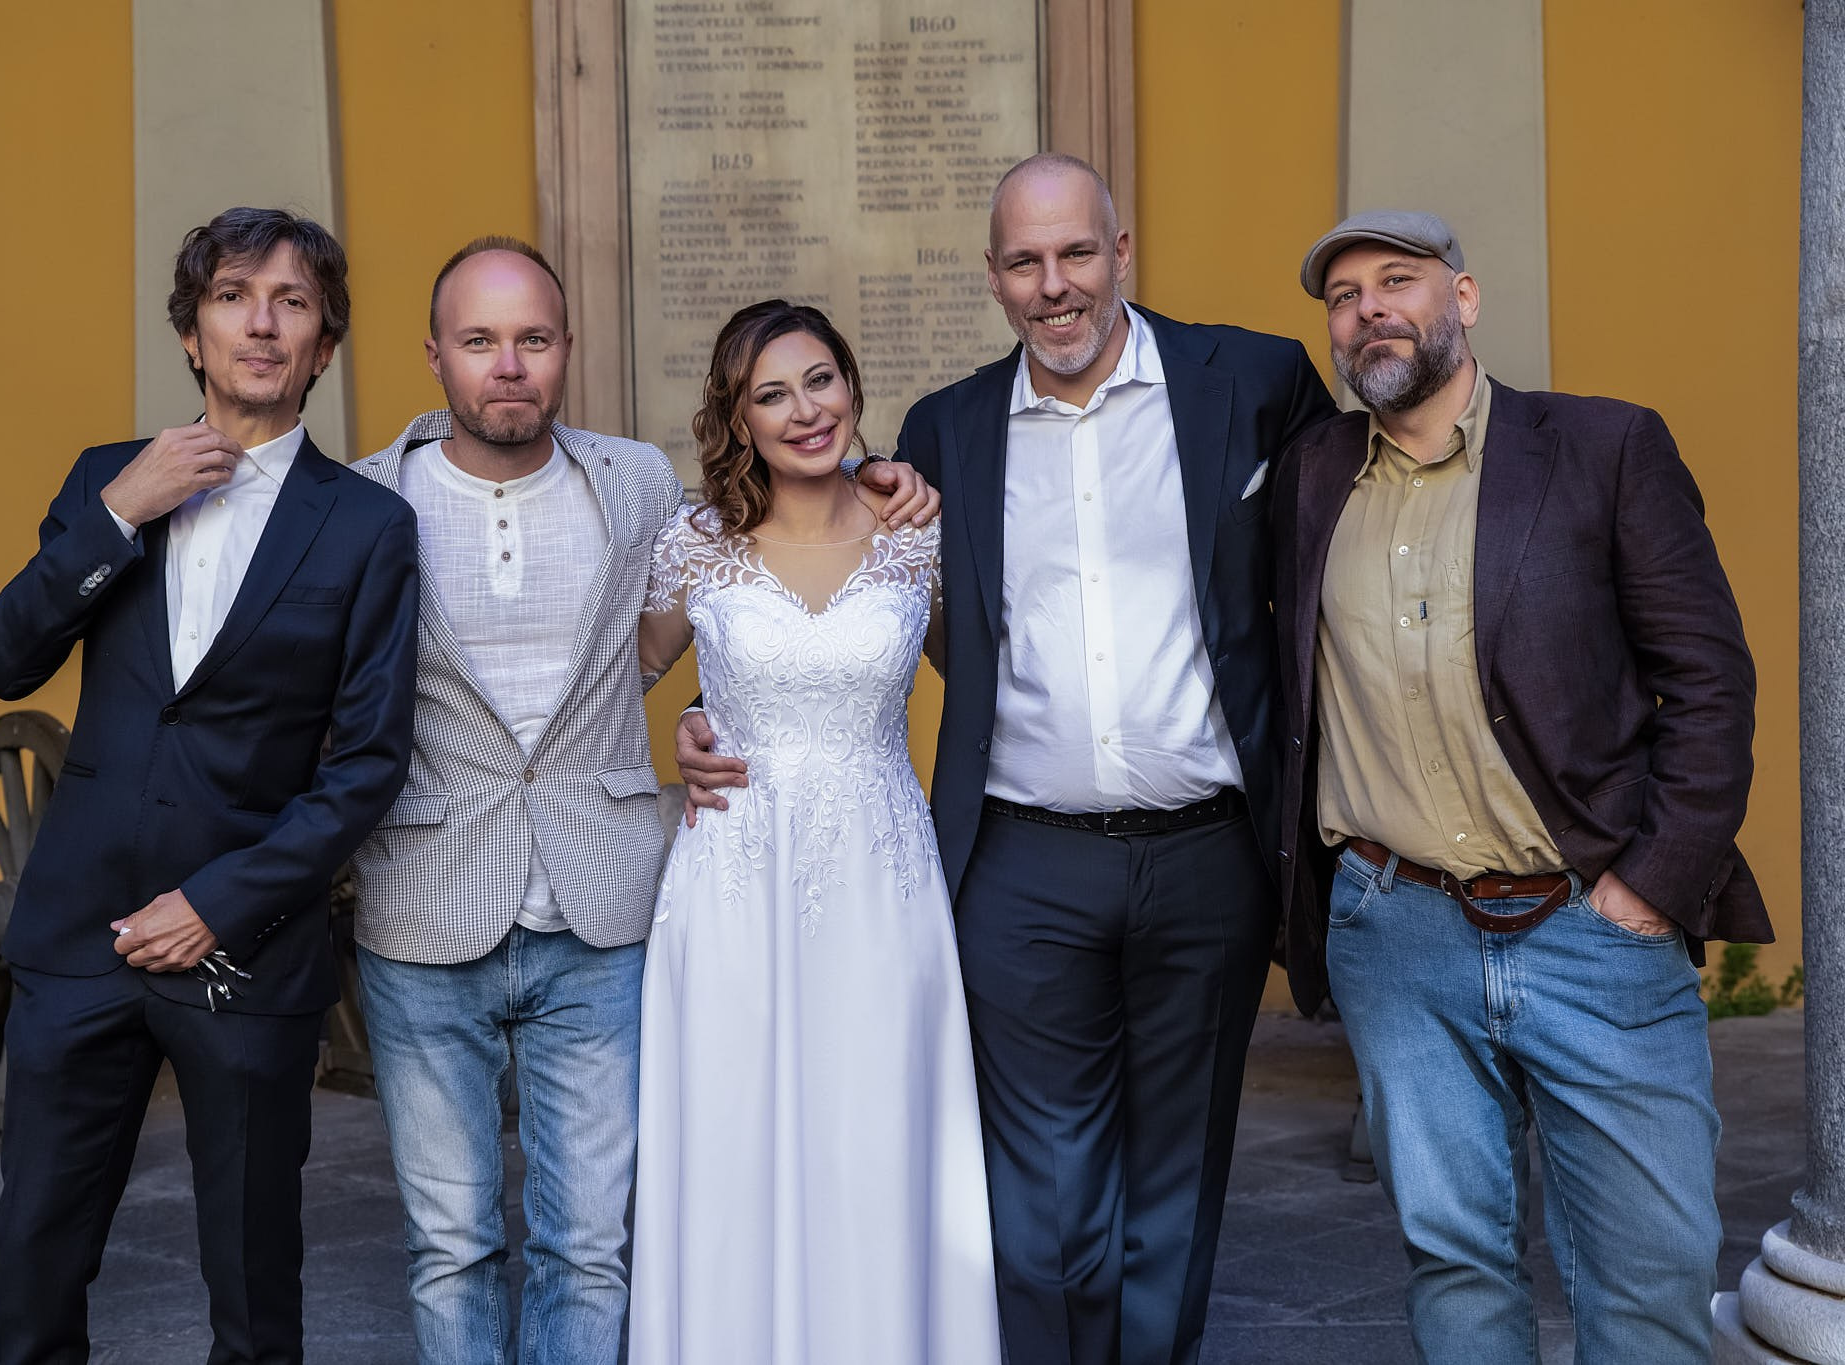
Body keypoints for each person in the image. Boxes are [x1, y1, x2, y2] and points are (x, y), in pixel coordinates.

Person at [680, 153, 1338, 1364]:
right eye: (1024, 263)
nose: (1054, 286)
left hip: (1207, 853)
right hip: (1021, 862)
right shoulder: (947, 430)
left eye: (1075, 254)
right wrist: (719, 709)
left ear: (1120, 252)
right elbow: (833, 590)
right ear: (992, 279)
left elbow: (1335, 547)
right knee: (1034, 1199)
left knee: (1175, 1177)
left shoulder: (1248, 381)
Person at [342, 240, 937, 1365]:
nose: (508, 364)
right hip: (491, 893)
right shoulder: (383, 501)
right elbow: (625, 672)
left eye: (531, 339)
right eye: (479, 341)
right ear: (434, 356)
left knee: (605, 1234)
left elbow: (995, 679)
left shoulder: (659, 492)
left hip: (736, 888)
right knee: (458, 1237)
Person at [1272, 209, 1772, 1363]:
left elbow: (1705, 681)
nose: (1366, 311)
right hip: (1394, 934)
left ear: (1463, 298)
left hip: (1589, 928)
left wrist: (1649, 887)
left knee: (1645, 1281)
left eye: (1395, 280)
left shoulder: (1601, 449)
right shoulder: (1309, 479)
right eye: (1341, 298)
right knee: (1452, 1263)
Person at [0, 207, 420, 1364]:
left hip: (239, 953)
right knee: (30, 1281)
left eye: (292, 302)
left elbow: (366, 764)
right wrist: (123, 510)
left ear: (324, 346)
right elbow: (1, 657)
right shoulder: (103, 481)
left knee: (253, 1298)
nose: (260, 323)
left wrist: (221, 902)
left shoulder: (370, 527)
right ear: (191, 334)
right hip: (76, 939)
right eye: (232, 296)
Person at [629, 299, 1002, 1364]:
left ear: (852, 386)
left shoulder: (915, 533)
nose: (805, 411)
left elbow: (988, 686)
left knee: (876, 1137)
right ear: (735, 420)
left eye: (821, 381)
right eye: (771, 394)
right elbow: (609, 696)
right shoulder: (692, 547)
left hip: (881, 885)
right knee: (734, 1139)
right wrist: (684, 740)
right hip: (733, 881)